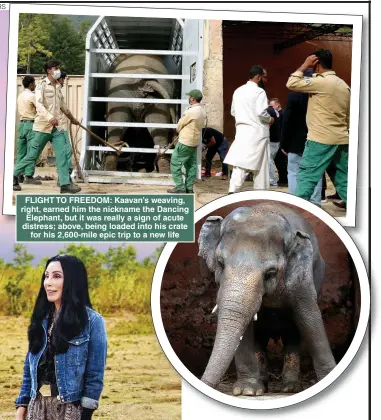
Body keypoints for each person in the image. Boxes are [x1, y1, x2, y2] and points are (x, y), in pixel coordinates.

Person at [15, 254, 107, 420]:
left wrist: (85, 413)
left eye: (57, 276)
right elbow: (29, 369)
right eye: (46, 276)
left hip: (70, 409)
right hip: (36, 407)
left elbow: (95, 374)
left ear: (73, 280)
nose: (48, 282)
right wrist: (22, 404)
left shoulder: (93, 321)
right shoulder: (41, 320)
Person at [286, 49, 350, 205]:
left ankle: (298, 212)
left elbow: (291, 83)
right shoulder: (343, 85)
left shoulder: (321, 82)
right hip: (341, 139)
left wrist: (304, 66)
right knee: (343, 180)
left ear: (316, 64)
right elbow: (348, 116)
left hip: (320, 140)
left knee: (306, 178)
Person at [13, 60, 81, 194]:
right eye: (56, 68)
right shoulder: (41, 86)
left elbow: (64, 107)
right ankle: (13, 175)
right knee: (32, 156)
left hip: (57, 129)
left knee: (62, 155)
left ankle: (65, 184)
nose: (58, 71)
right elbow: (39, 105)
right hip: (42, 127)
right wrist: (50, 118)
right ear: (49, 71)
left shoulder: (58, 87)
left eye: (58, 68)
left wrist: (73, 119)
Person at [224, 65, 273, 193]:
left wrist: (245, 117)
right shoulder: (259, 92)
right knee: (259, 166)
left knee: (241, 162)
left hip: (242, 131)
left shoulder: (238, 91)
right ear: (258, 77)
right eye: (264, 77)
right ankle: (259, 193)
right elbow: (261, 112)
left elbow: (233, 111)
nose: (266, 80)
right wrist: (270, 119)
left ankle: (233, 189)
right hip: (257, 132)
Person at [280, 71, 323, 206]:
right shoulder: (320, 95)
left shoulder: (293, 95)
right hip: (315, 139)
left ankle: (295, 203)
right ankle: (315, 203)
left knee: (293, 172)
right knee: (316, 172)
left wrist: (284, 143)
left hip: (295, 142)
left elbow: (286, 120)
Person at [167, 89, 206, 194]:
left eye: (189, 97)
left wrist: (178, 130)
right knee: (191, 165)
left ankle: (180, 187)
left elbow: (180, 124)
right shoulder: (202, 111)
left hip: (185, 141)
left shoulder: (191, 111)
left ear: (193, 98)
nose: (189, 98)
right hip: (194, 141)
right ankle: (189, 188)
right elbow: (203, 125)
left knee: (175, 163)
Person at [14, 75, 41, 188]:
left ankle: (18, 175)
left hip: (21, 125)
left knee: (21, 151)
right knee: (32, 152)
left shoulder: (20, 96)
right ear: (30, 84)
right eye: (34, 83)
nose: (35, 85)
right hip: (30, 124)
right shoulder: (32, 96)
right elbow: (40, 109)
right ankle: (28, 176)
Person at [55, 71, 81, 190]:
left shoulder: (57, 90)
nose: (64, 81)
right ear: (59, 79)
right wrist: (73, 119)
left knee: (65, 153)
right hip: (59, 127)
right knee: (66, 152)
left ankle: (63, 179)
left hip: (59, 126)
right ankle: (64, 180)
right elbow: (64, 109)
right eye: (63, 79)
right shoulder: (56, 90)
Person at [270, 98, 288, 186]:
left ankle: (284, 179)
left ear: (277, 105)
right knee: (278, 161)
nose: (271, 108)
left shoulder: (282, 114)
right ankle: (282, 179)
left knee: (281, 162)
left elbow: (283, 128)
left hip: (280, 140)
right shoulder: (278, 114)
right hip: (279, 140)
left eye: (272, 106)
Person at [266, 102, 281, 186]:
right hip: (276, 139)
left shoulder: (268, 111)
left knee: (269, 160)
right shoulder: (274, 111)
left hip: (271, 139)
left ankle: (271, 180)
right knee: (270, 159)